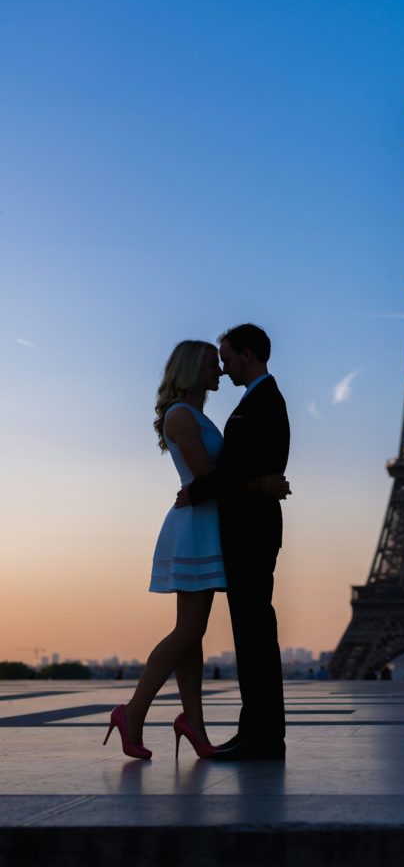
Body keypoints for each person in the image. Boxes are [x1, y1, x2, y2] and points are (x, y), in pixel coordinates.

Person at [103, 339, 288, 761]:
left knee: (194, 633)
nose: (219, 371)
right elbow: (207, 478)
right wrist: (260, 483)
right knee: (187, 631)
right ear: (190, 370)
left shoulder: (195, 415)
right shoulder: (181, 416)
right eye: (211, 364)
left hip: (207, 525)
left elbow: (212, 480)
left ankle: (194, 725)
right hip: (194, 528)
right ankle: (132, 713)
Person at [176, 323, 290, 761]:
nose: (222, 368)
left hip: (251, 532)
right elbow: (248, 470)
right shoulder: (260, 399)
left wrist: (197, 492)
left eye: (226, 358)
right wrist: (262, 482)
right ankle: (259, 732)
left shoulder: (261, 401)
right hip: (252, 527)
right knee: (253, 633)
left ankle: (260, 735)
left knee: (254, 634)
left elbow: (235, 467)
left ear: (247, 354)